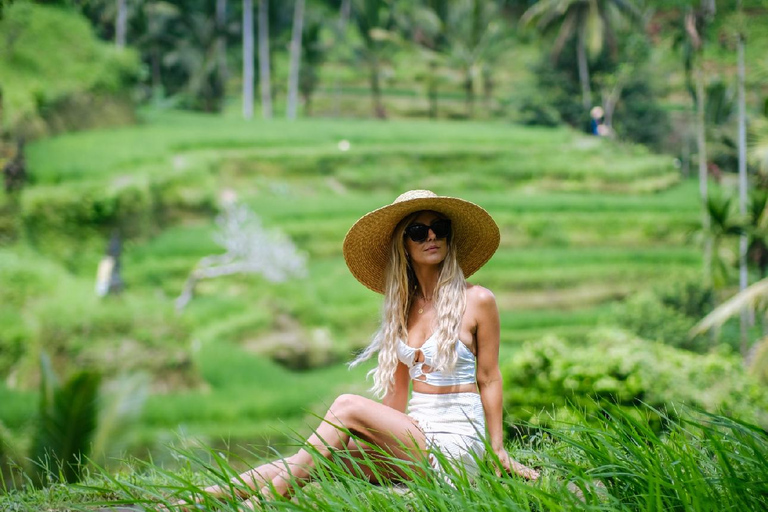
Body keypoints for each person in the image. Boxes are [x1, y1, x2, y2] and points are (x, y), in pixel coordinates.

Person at [174, 189, 539, 510]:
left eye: (439, 228)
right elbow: (397, 400)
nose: (431, 237)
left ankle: (264, 504)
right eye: (418, 231)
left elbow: (489, 378)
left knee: (347, 406)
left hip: (458, 441)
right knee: (317, 457)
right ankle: (204, 498)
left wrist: (498, 448)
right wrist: (368, 434)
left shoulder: (477, 301)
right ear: (404, 245)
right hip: (417, 437)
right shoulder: (401, 309)